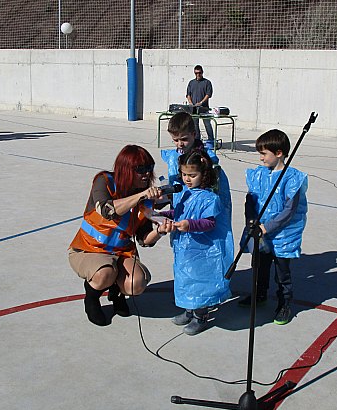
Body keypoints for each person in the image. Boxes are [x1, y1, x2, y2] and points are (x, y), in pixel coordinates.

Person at [68, 145, 170, 326]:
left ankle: (117, 292)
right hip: (88, 250)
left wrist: (158, 231)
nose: (146, 174)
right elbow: (108, 210)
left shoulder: (145, 200)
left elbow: (143, 240)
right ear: (126, 170)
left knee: (136, 283)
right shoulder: (104, 181)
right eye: (140, 170)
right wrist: (140, 196)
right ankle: (91, 298)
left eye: (149, 168)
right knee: (105, 272)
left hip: (121, 252)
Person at [238, 129, 308, 325]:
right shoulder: (259, 175)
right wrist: (251, 220)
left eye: (264, 154)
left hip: (282, 234)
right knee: (260, 266)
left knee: (282, 272)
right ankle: (259, 294)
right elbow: (250, 199)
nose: (261, 158)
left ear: (279, 153)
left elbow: (289, 210)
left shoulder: (291, 178)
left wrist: (267, 227)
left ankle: (284, 303)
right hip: (259, 230)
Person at [160, 149, 233, 335]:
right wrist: (161, 215)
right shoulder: (185, 193)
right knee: (185, 278)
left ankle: (200, 316)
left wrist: (190, 225)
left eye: (192, 175)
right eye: (184, 174)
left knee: (199, 282)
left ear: (204, 174)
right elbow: (179, 212)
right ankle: (188, 309)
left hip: (202, 250)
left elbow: (209, 222)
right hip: (185, 248)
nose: (187, 179)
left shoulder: (210, 198)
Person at [161, 111, 232, 230]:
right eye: (175, 140)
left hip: (202, 218)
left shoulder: (206, 160)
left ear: (194, 134)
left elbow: (213, 200)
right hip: (182, 214)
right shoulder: (174, 157)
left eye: (184, 139)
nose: (180, 144)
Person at [186, 64, 214, 146]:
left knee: (207, 124)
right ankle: (197, 140)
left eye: (199, 73)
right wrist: (190, 103)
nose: (198, 75)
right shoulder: (191, 83)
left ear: (202, 72)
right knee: (195, 125)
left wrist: (201, 102)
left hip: (204, 108)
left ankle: (211, 140)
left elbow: (208, 94)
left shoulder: (207, 82)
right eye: (196, 73)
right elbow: (188, 94)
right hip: (194, 109)